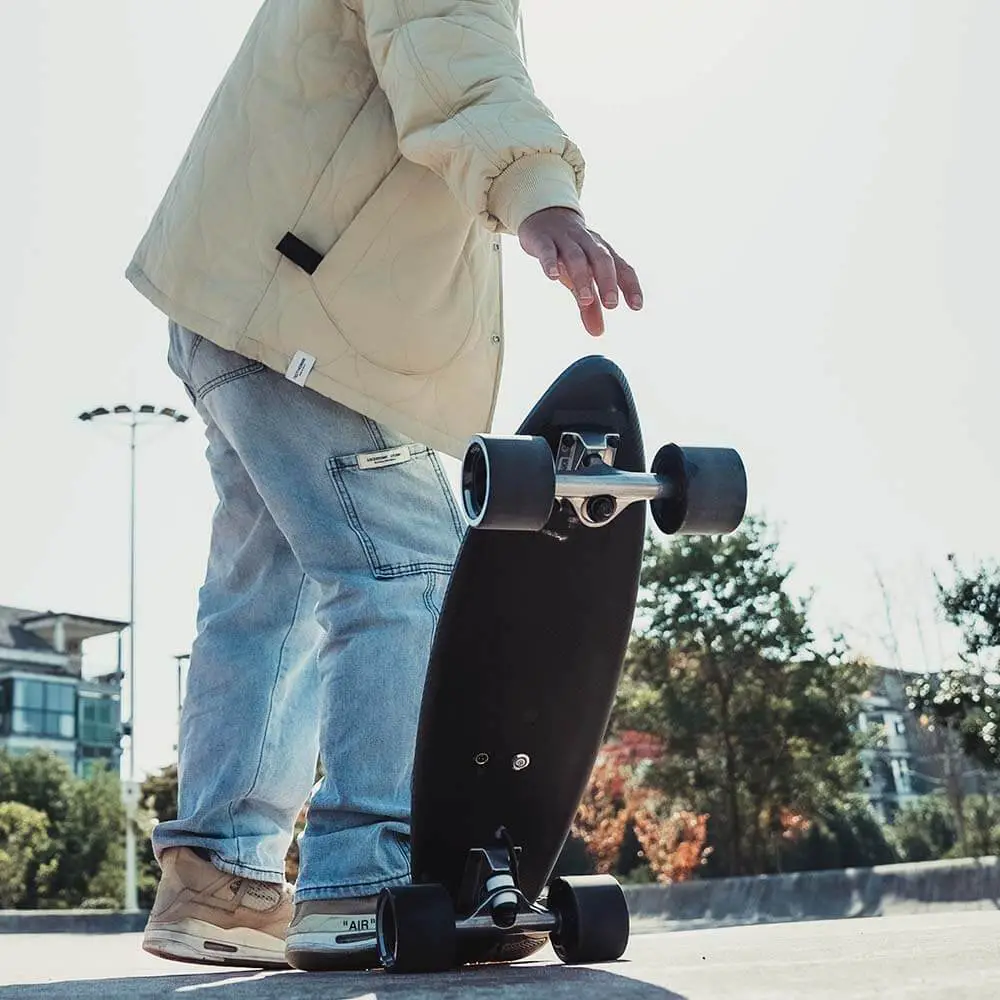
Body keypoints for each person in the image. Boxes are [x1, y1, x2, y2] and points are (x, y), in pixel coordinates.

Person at [127, 0, 643, 972]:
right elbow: (452, 49)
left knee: (269, 593)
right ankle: (369, 876)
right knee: (404, 571)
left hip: (246, 300)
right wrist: (542, 199)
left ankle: (223, 883)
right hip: (304, 314)